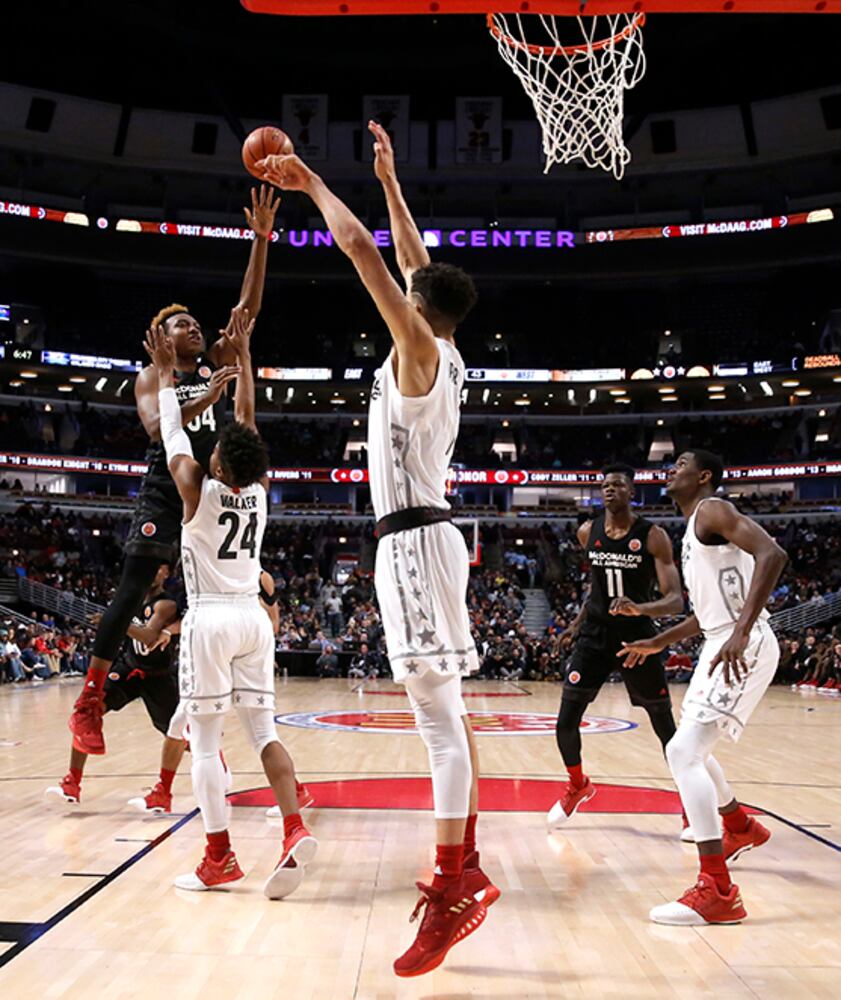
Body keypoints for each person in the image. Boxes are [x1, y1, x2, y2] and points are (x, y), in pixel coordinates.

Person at [259, 120, 497, 978]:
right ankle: (463, 860)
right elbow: (402, 251)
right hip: (421, 540)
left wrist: (312, 181)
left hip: (413, 546)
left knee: (435, 722)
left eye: (411, 290)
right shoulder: (446, 341)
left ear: (420, 308)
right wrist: (393, 181)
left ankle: (452, 888)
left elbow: (361, 251)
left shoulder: (420, 346)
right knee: (449, 716)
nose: (402, 285)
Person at [67, 186, 279, 758]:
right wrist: (198, 397)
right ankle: (89, 702)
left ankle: (231, 721)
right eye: (181, 324)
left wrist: (260, 240)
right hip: (169, 486)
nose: (194, 328)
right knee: (134, 585)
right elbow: (157, 433)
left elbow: (247, 312)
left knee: (231, 593)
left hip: (215, 488)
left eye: (193, 323)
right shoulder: (152, 376)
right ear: (162, 339)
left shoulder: (215, 363)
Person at [145, 308, 315, 898]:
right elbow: (246, 422)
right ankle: (294, 828)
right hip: (253, 621)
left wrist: (167, 377)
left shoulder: (196, 487)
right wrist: (242, 360)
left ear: (218, 462)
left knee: (207, 744)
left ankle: (219, 857)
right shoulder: (260, 491)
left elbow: (171, 434)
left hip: (212, 618)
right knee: (265, 734)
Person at [618, 450, 786, 926]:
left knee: (684, 754)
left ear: (704, 476)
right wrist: (658, 640)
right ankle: (738, 825)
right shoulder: (692, 532)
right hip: (722, 639)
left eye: (682, 464)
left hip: (742, 642)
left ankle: (718, 888)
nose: (672, 469)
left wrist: (740, 630)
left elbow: (773, 553)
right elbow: (703, 616)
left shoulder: (713, 509)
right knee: (686, 747)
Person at [548, 464, 685, 827]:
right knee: (565, 721)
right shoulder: (586, 532)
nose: (610, 490)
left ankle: (691, 802)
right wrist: (576, 625)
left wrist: (639, 607)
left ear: (632, 492)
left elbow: (675, 601)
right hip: (594, 635)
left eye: (618, 485)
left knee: (663, 724)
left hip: (637, 638)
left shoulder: (653, 536)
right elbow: (596, 586)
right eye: (605, 485)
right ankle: (577, 785)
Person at [46, 562, 188, 812]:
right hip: (128, 668)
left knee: (179, 734)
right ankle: (72, 782)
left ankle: (205, 767)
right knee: (88, 712)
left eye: (157, 568)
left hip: (158, 676)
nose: (151, 571)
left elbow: (148, 636)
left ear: (166, 572)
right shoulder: (130, 600)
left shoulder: (167, 605)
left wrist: (113, 621)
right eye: (148, 567)